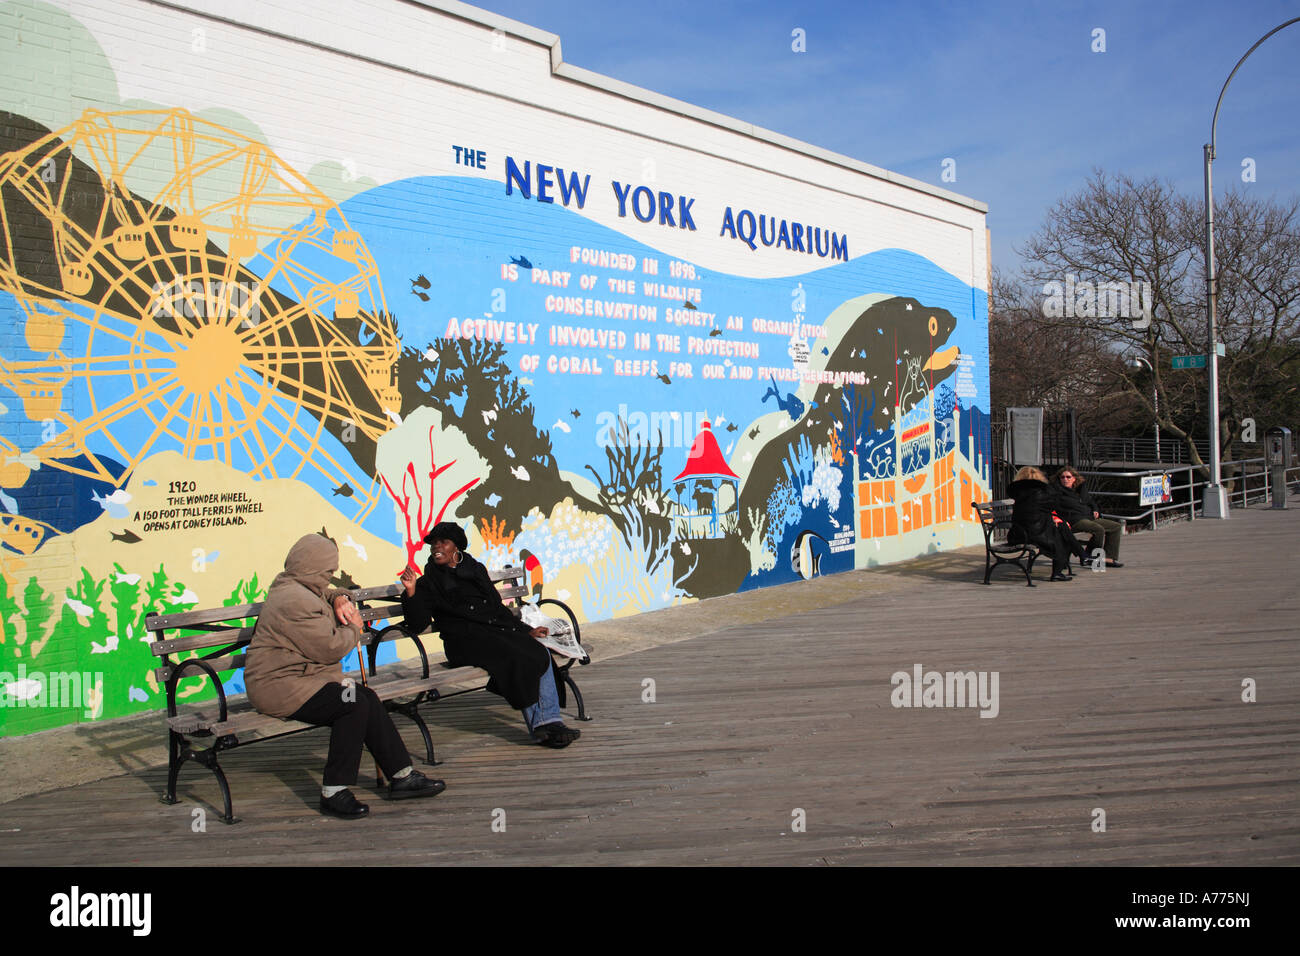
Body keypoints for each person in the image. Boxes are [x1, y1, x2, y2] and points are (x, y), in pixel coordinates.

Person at [245, 533, 446, 819]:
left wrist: (340, 597)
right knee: (352, 704)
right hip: (278, 686)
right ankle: (334, 792)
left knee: (365, 696)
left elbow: (327, 593)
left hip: (302, 678)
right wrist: (354, 626)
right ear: (314, 567)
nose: (330, 576)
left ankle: (402, 776)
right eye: (328, 571)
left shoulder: (295, 584)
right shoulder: (294, 601)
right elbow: (330, 649)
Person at [399, 521, 580, 748]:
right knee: (517, 656)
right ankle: (541, 728)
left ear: (457, 548)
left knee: (539, 651)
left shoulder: (475, 571)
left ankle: (551, 722)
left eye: (443, 542)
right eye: (433, 543)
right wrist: (411, 591)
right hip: (463, 642)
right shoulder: (428, 582)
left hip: (495, 634)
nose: (437, 547)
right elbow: (417, 624)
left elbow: (497, 608)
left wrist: (525, 630)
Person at [1007, 465, 1082, 582]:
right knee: (1061, 533)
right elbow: (1054, 506)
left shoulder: (1019, 491)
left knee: (1061, 528)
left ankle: (1080, 555)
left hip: (1019, 533)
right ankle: (1071, 562)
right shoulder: (1040, 492)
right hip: (1032, 534)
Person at [1053, 467, 1124, 568]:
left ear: (1074, 479)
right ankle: (1090, 557)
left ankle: (1108, 558)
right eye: (1062, 477)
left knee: (1115, 526)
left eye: (1068, 477)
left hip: (1089, 517)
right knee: (1098, 529)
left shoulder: (1080, 490)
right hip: (1073, 520)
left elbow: (1090, 501)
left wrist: (1095, 509)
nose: (1065, 479)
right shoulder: (1057, 492)